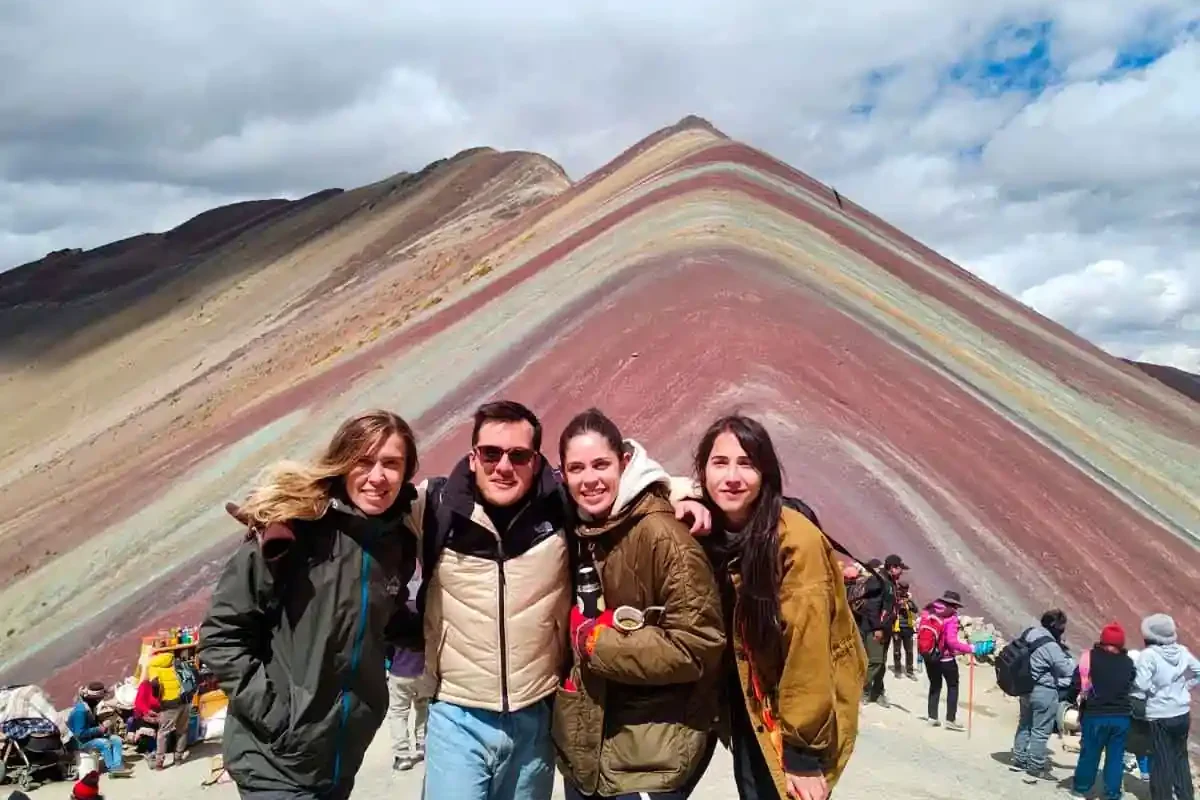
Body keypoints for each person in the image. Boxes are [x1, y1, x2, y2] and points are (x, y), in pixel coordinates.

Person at [412, 401, 710, 800]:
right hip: (458, 714)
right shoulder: (433, 507)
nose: (503, 466)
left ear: (535, 462)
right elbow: (370, 501)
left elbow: (622, 487)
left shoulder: (559, 508)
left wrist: (680, 494)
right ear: (472, 457)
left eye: (518, 455)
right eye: (490, 453)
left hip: (537, 716)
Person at [199, 410, 422, 800]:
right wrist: (276, 716)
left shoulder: (394, 542)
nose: (377, 476)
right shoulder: (291, 531)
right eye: (364, 461)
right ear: (341, 462)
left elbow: (381, 617)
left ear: (406, 472)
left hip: (339, 757)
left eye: (391, 463)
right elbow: (222, 636)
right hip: (275, 761)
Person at [550, 409, 724, 799]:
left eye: (600, 464)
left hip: (648, 758)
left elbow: (697, 647)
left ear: (625, 462)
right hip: (592, 751)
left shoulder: (665, 538)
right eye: (576, 468)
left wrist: (594, 642)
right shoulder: (585, 528)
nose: (589, 479)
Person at [694, 414, 866, 800]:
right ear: (702, 471)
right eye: (719, 463)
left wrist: (804, 752)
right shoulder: (713, 531)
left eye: (747, 464)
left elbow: (809, 650)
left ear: (766, 473)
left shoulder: (795, 541)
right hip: (748, 694)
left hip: (790, 711)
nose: (732, 477)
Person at [1133, 613, 1199, 800]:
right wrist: (1187, 686)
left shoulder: (1149, 655)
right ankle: (1186, 796)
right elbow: (1198, 670)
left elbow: (1142, 685)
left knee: (1161, 763)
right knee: (1180, 759)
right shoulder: (1183, 651)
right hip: (1182, 713)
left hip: (1159, 714)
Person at [1069, 622, 1135, 800]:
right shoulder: (1128, 663)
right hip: (1121, 716)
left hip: (1095, 714)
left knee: (1090, 753)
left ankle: (1082, 788)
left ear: (1102, 640)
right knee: (1115, 757)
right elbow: (1131, 685)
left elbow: (1075, 683)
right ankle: (1112, 793)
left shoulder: (1090, 657)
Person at [1010, 609, 1076, 783]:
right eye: (1062, 627)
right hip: (1044, 690)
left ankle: (1019, 759)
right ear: (1056, 626)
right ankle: (1035, 767)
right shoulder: (1051, 646)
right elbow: (1067, 671)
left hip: (1024, 687)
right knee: (1041, 729)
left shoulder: (1030, 632)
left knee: (1024, 723)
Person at [386, 564, 431, 772]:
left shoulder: (396, 614)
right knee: (422, 708)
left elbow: (387, 645)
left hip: (400, 673)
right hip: (422, 672)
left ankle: (402, 755)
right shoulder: (424, 613)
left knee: (398, 712)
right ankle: (423, 744)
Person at [918, 590, 974, 731]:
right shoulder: (951, 617)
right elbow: (952, 642)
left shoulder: (929, 611)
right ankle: (950, 719)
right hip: (946, 657)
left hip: (929, 655)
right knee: (953, 686)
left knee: (935, 685)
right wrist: (969, 648)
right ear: (953, 605)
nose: (956, 609)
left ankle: (932, 717)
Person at [860, 554, 906, 706]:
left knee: (882, 663)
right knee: (875, 661)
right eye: (899, 568)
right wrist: (877, 628)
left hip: (886, 629)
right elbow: (872, 606)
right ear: (892, 567)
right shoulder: (878, 581)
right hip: (875, 629)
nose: (901, 572)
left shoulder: (891, 583)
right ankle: (862, 691)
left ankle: (877, 693)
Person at [66, 683, 133, 777]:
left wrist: (104, 726)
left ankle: (117, 766)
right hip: (79, 742)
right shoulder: (80, 711)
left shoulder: (91, 708)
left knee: (116, 739)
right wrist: (100, 728)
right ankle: (112, 768)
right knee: (104, 743)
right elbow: (79, 734)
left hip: (90, 738)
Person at [145, 651, 189, 769]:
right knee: (182, 730)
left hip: (169, 703)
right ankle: (178, 758)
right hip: (185, 699)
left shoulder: (153, 666)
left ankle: (159, 762)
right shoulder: (174, 662)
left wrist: (157, 696)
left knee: (163, 732)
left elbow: (154, 684)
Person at [892, 581, 918, 679]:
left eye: (905, 589)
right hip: (897, 628)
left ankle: (910, 671)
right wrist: (898, 604)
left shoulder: (909, 600)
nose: (904, 591)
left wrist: (908, 602)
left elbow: (915, 610)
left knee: (909, 651)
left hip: (908, 628)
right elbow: (891, 610)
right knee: (897, 651)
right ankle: (897, 670)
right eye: (902, 588)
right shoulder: (894, 598)